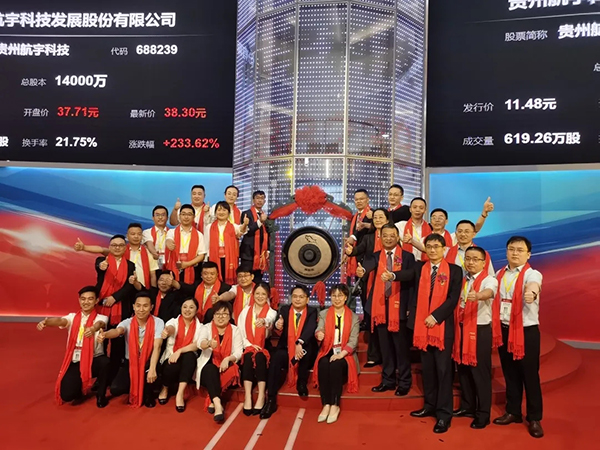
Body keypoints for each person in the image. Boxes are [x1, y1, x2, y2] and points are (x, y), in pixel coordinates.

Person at [410, 234, 462, 434]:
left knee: (443, 371)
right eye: (429, 246)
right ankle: (429, 406)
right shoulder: (420, 269)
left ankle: (444, 415)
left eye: (436, 246)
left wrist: (436, 316)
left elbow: (453, 299)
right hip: (423, 327)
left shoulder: (455, 270)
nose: (432, 250)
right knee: (428, 370)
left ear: (444, 248)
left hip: (442, 327)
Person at [493, 236, 544, 438]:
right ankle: (513, 411)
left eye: (520, 250)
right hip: (504, 329)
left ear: (528, 254)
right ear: (506, 251)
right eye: (511, 249)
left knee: (529, 375)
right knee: (510, 373)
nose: (515, 253)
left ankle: (534, 418)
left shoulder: (533, 274)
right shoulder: (499, 274)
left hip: (525, 331)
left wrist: (531, 294)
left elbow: (534, 286)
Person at [357, 224, 416, 396]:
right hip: (381, 309)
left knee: (401, 349)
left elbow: (411, 277)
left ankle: (404, 382)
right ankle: (388, 380)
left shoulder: (407, 256)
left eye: (392, 235)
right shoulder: (375, 256)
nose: (388, 238)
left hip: (400, 309)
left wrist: (409, 306)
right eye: (385, 236)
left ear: (397, 237)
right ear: (381, 238)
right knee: (386, 349)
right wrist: (362, 270)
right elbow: (368, 266)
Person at [37, 286, 110, 408]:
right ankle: (79, 388)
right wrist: (47, 322)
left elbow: (100, 324)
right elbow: (60, 321)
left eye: (90, 299)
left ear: (96, 301)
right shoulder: (72, 317)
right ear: (79, 300)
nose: (86, 302)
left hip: (94, 360)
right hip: (76, 360)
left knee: (105, 362)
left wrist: (93, 328)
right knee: (67, 395)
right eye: (83, 299)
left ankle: (101, 395)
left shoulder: (102, 317)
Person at [451, 247, 498, 429]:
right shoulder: (463, 279)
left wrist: (478, 295)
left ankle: (483, 413)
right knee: (463, 369)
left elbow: (490, 292)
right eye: (468, 259)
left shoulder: (489, 279)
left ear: (484, 262)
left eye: (475, 259)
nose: (471, 262)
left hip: (479, 330)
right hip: (461, 328)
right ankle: (467, 406)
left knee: (480, 373)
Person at [261, 284, 318, 419]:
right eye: (295, 296)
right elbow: (278, 324)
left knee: (304, 353)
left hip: (305, 346)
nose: (297, 299)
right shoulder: (285, 309)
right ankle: (271, 399)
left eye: (301, 297)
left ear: (307, 299)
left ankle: (301, 383)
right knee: (276, 358)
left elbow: (310, 329)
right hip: (287, 347)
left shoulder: (312, 311)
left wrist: (300, 342)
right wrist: (278, 325)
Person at [98, 292, 164, 408]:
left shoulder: (158, 322)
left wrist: (152, 368)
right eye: (138, 306)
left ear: (151, 307)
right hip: (131, 362)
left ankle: (148, 390)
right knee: (116, 389)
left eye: (145, 306)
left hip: (149, 361)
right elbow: (117, 331)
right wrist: (105, 335)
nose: (141, 309)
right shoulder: (127, 322)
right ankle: (137, 385)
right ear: (133, 306)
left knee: (151, 386)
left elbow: (157, 346)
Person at [345, 208, 390, 367]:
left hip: (389, 281)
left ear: (387, 220)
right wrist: (350, 251)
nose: (377, 220)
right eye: (375, 217)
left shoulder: (392, 236)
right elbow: (358, 250)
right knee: (371, 316)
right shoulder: (368, 237)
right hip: (370, 280)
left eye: (381, 217)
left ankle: (387, 356)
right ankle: (373, 355)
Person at [313, 284, 360, 424]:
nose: (337, 298)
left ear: (345, 298)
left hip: (345, 353)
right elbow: (319, 329)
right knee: (323, 363)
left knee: (335, 365)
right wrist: (319, 334)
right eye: (334, 295)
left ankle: (335, 404)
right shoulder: (324, 314)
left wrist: (341, 354)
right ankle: (325, 404)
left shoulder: (354, 317)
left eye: (340, 296)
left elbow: (353, 341)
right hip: (328, 349)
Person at [94, 235, 136, 374]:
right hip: (102, 307)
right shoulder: (102, 261)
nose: (117, 248)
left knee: (118, 343)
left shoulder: (130, 265)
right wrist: (102, 267)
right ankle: (100, 374)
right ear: (109, 247)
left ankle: (114, 373)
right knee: (100, 341)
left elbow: (129, 286)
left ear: (125, 248)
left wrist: (115, 297)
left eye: (120, 245)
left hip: (121, 307)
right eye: (114, 245)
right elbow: (100, 268)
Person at [196, 301, 243, 423]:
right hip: (209, 368)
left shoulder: (235, 330)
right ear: (213, 315)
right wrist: (208, 343)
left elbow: (238, 352)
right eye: (217, 314)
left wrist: (228, 359)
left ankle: (212, 400)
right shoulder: (206, 328)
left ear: (230, 316)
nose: (220, 317)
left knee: (232, 370)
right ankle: (218, 404)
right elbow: (200, 343)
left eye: (224, 314)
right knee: (210, 369)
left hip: (227, 367)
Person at [75, 224, 159, 290]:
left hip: (141, 289)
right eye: (133, 234)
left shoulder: (148, 253)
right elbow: (102, 250)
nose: (136, 236)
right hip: (122, 290)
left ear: (142, 236)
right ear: (127, 236)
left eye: (139, 234)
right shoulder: (120, 250)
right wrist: (84, 247)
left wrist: (153, 293)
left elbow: (152, 275)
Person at [238, 282, 277, 415]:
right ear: (253, 295)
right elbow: (240, 332)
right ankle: (248, 396)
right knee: (248, 356)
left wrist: (264, 322)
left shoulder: (272, 312)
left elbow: (270, 321)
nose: (260, 296)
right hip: (248, 345)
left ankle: (261, 395)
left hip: (264, 346)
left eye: (263, 294)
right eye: (257, 293)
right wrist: (249, 345)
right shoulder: (245, 311)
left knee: (260, 356)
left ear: (268, 296)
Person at [159, 298, 202, 412]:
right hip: (171, 356)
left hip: (187, 360)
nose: (187, 310)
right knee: (171, 365)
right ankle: (164, 388)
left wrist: (180, 351)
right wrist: (167, 331)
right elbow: (171, 328)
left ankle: (180, 393)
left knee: (189, 356)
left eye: (191, 307)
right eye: (185, 307)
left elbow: (196, 345)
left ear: (196, 310)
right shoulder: (174, 321)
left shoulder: (200, 327)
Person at [206, 201, 249, 285]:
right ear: (215, 212)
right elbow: (206, 244)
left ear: (228, 213)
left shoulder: (233, 226)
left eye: (224, 210)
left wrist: (245, 224)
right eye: (219, 210)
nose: (221, 212)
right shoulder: (209, 227)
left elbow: (241, 230)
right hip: (214, 257)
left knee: (228, 281)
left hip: (229, 257)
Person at [165, 204, 206, 284]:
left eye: (189, 214)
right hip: (174, 267)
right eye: (183, 214)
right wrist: (169, 243)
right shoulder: (171, 232)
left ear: (193, 217)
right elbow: (168, 240)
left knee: (189, 289)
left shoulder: (199, 235)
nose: (186, 217)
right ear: (179, 216)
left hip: (192, 268)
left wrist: (187, 264)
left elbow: (201, 255)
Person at [240, 190, 270, 283]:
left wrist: (268, 250)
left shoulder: (265, 216)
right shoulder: (246, 214)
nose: (260, 200)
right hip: (248, 254)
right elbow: (248, 231)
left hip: (261, 254)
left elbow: (268, 234)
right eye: (257, 198)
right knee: (246, 279)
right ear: (253, 200)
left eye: (262, 198)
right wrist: (260, 221)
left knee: (258, 280)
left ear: (265, 201)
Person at [345, 189, 373, 281]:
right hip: (356, 254)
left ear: (367, 200)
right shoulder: (355, 216)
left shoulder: (373, 214)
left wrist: (353, 237)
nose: (359, 201)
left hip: (368, 256)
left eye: (361, 199)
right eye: (356, 199)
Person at [396, 197, 431, 262]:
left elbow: (429, 249)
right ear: (410, 209)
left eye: (421, 208)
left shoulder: (430, 228)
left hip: (424, 263)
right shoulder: (400, 226)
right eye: (414, 207)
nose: (417, 210)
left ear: (425, 210)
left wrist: (412, 241)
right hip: (405, 262)